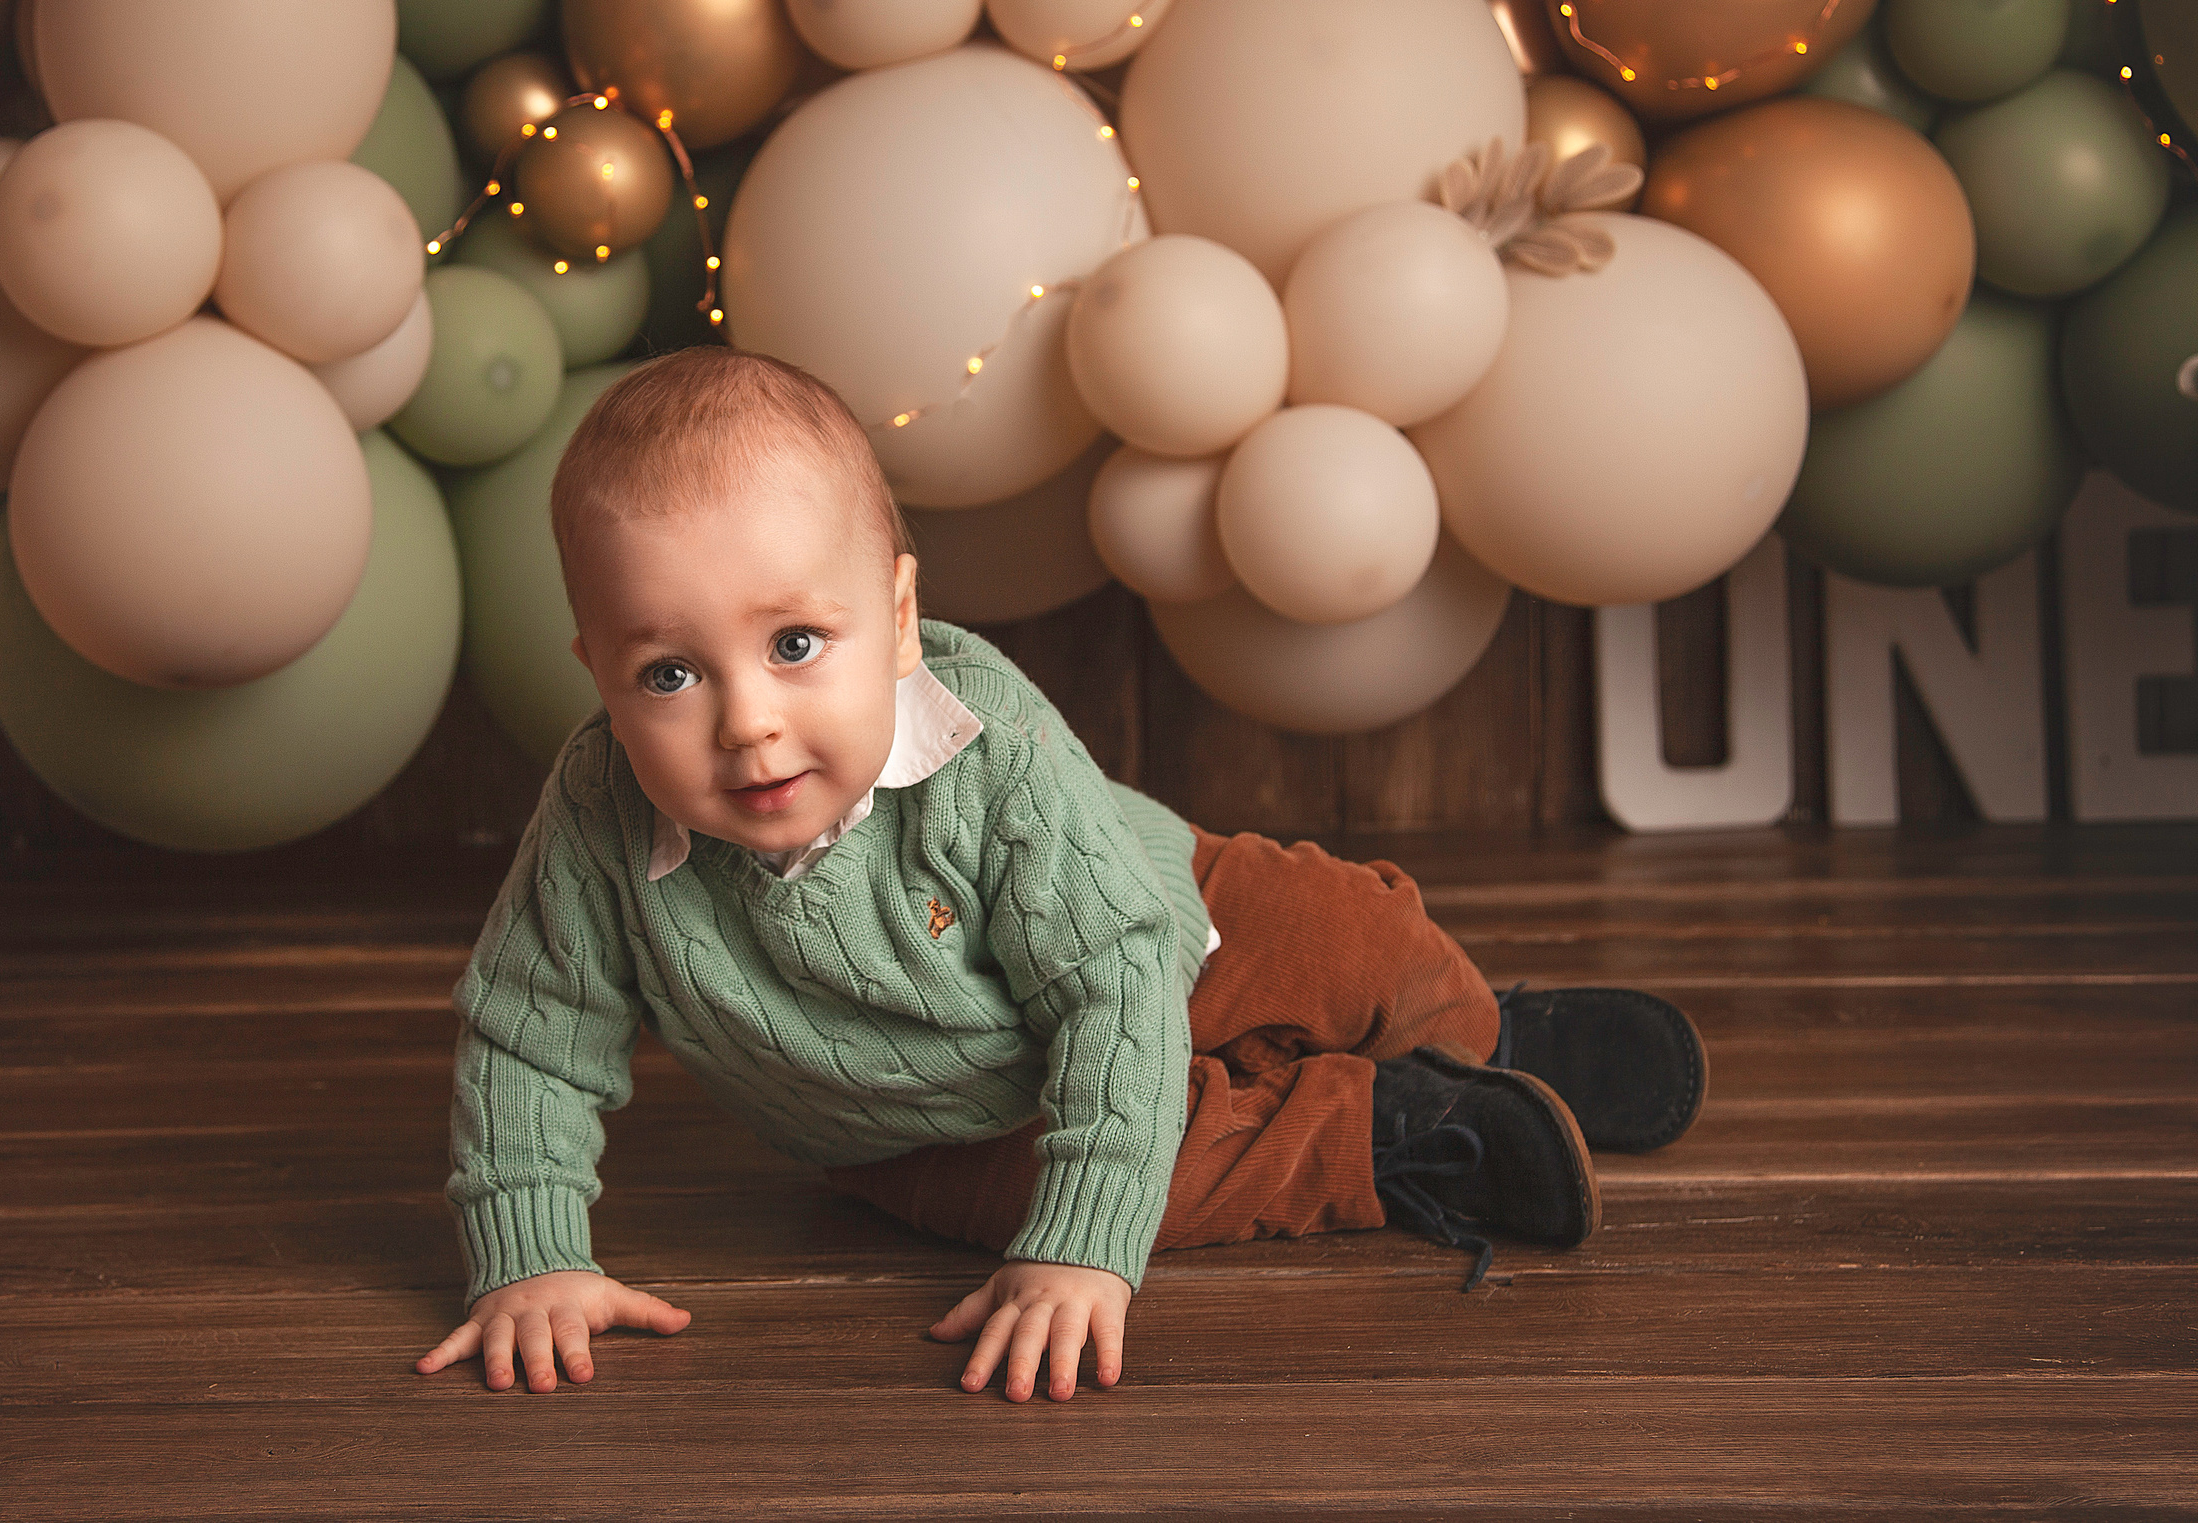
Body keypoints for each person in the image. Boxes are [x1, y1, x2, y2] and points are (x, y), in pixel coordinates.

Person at [414, 348, 1706, 1404]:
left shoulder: (988, 743)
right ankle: (1401, 1131)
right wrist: (532, 1258)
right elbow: (532, 1035)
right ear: (599, 671)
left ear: (900, 619)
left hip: (1144, 923)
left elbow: (1114, 985)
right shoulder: (596, 814)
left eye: (796, 642)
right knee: (1149, 1178)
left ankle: (1470, 1029)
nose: (747, 722)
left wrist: (1087, 1245)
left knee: (1335, 936)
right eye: (669, 673)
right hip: (925, 1124)